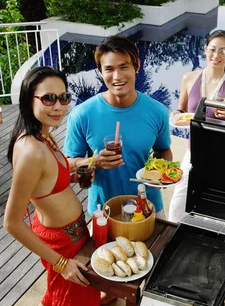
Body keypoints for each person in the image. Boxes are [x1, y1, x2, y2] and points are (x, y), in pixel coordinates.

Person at [4, 66, 107, 306]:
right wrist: (61, 263)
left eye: (63, 97)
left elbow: (48, 181)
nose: (59, 106)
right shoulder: (32, 151)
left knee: (60, 289)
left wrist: (80, 171)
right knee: (73, 300)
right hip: (63, 241)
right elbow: (11, 222)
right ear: (28, 98)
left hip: (61, 230)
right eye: (49, 98)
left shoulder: (40, 135)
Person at [63, 35, 172, 218]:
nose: (117, 77)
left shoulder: (157, 111)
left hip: (148, 206)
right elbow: (67, 163)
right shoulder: (82, 114)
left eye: (124, 67)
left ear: (136, 66)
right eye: (109, 69)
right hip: (103, 210)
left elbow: (163, 150)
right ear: (100, 72)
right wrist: (93, 162)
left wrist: (163, 170)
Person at [168, 30, 225, 222]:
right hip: (192, 151)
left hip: (220, 157)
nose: (216, 55)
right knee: (177, 205)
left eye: (223, 51)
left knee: (212, 211)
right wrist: (175, 115)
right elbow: (180, 111)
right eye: (212, 49)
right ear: (205, 50)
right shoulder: (188, 79)